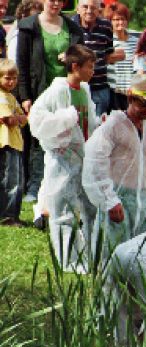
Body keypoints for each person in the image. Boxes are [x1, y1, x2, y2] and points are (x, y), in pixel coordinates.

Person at [83, 75, 146, 260]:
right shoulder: (114, 125)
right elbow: (95, 159)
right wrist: (109, 198)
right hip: (119, 200)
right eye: (143, 104)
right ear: (130, 99)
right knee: (113, 253)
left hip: (143, 201)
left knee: (143, 255)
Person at [29, 44, 98, 269]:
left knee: (91, 208)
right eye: (90, 67)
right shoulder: (58, 91)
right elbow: (36, 121)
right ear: (75, 66)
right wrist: (66, 118)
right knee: (63, 211)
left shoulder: (84, 90)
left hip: (84, 158)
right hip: (62, 161)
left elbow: (89, 123)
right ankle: (68, 260)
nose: (93, 71)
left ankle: (91, 255)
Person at [17, 0, 84, 202]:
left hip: (65, 93)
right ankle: (34, 187)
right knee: (39, 140)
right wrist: (25, 96)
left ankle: (64, 187)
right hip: (39, 91)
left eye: (59, 0)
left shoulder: (72, 28)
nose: (55, 3)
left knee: (65, 139)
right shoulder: (28, 26)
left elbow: (82, 58)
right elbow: (22, 64)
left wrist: (71, 56)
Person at [72, 0, 125, 116]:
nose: (89, 11)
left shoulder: (106, 26)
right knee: (77, 123)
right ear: (78, 9)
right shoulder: (71, 25)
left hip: (100, 87)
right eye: (85, 7)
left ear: (99, 9)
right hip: (77, 87)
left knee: (99, 124)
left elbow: (108, 53)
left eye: (93, 8)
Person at [0, 59, 28, 227]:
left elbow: (24, 119)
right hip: (6, 143)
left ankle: (14, 215)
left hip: (16, 142)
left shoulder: (11, 97)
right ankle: (7, 216)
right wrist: (18, 118)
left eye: (14, 78)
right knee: (10, 181)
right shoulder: (1, 97)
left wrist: (18, 118)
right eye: (7, 78)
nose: (11, 82)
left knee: (18, 181)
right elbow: (10, 120)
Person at [104, 2, 140, 111]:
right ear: (110, 21)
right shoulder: (106, 40)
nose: (120, 22)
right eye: (116, 19)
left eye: (123, 19)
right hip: (113, 92)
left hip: (132, 92)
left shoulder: (136, 41)